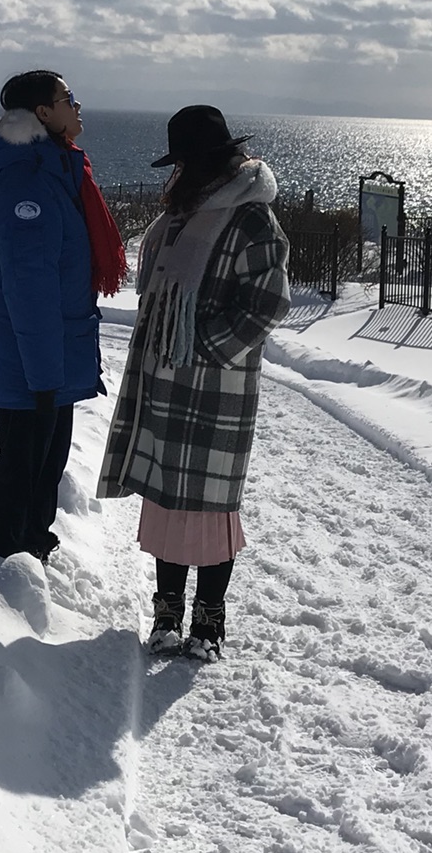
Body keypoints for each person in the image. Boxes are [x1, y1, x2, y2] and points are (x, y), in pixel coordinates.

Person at [96, 105, 290, 660]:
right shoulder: (183, 216)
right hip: (166, 377)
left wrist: (202, 349)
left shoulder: (251, 218)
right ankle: (167, 613)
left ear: (212, 162)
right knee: (167, 499)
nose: (178, 174)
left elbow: (267, 304)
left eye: (185, 163)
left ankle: (208, 623)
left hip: (215, 386)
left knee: (210, 506)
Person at [0, 70, 127, 561]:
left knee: (42, 464)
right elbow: (28, 286)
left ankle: (29, 549)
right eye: (68, 98)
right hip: (32, 361)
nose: (78, 107)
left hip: (47, 356)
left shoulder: (54, 169)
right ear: (42, 113)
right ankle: (2, 562)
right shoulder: (29, 181)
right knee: (24, 465)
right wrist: (40, 379)